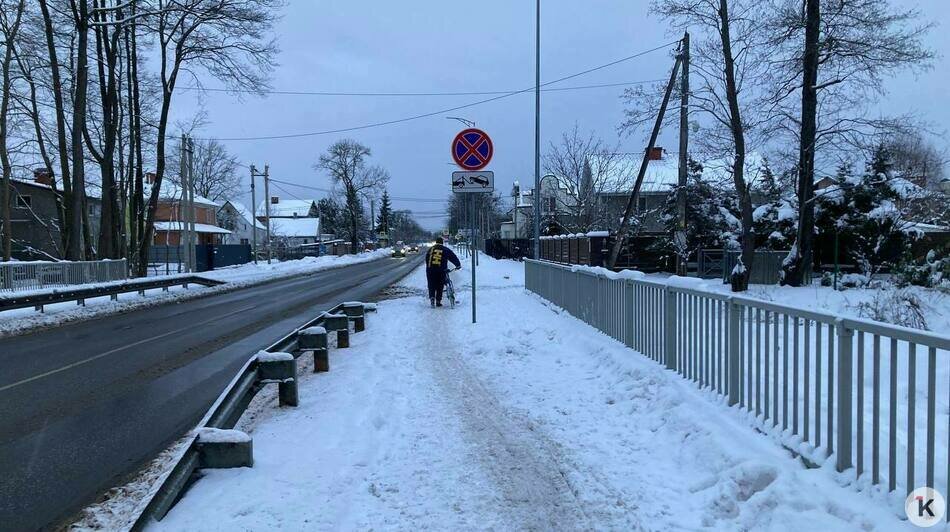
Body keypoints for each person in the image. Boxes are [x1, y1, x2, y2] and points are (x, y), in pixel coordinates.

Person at [425, 237, 461, 307]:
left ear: (436, 242)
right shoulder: (445, 249)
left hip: (430, 270)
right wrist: (458, 265)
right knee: (440, 285)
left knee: (431, 284)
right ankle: (438, 301)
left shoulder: (431, 249)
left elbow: (427, 259)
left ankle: (432, 298)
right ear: (442, 242)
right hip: (441, 270)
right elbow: (453, 257)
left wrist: (429, 267)